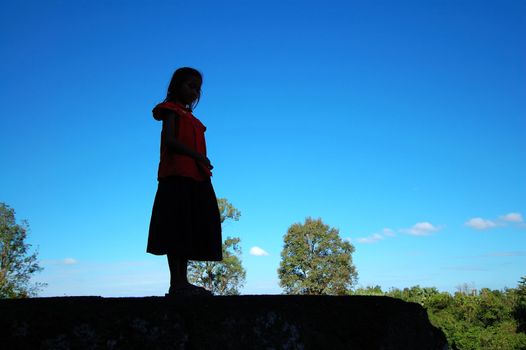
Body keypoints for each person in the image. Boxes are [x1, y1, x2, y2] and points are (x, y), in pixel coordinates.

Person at [147, 67, 222, 296]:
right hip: (177, 175)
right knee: (176, 227)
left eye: (197, 88)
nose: (195, 91)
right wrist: (197, 155)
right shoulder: (170, 111)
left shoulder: (194, 120)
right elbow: (169, 140)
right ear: (176, 86)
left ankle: (183, 281)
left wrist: (200, 162)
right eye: (190, 85)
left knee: (190, 227)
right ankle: (176, 282)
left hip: (197, 177)